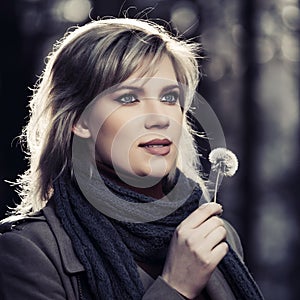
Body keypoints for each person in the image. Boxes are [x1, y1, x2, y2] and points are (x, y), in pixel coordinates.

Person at [0, 18, 264, 300]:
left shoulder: (217, 237)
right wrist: (175, 286)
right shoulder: (29, 251)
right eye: (128, 99)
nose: (160, 118)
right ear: (79, 120)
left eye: (170, 97)